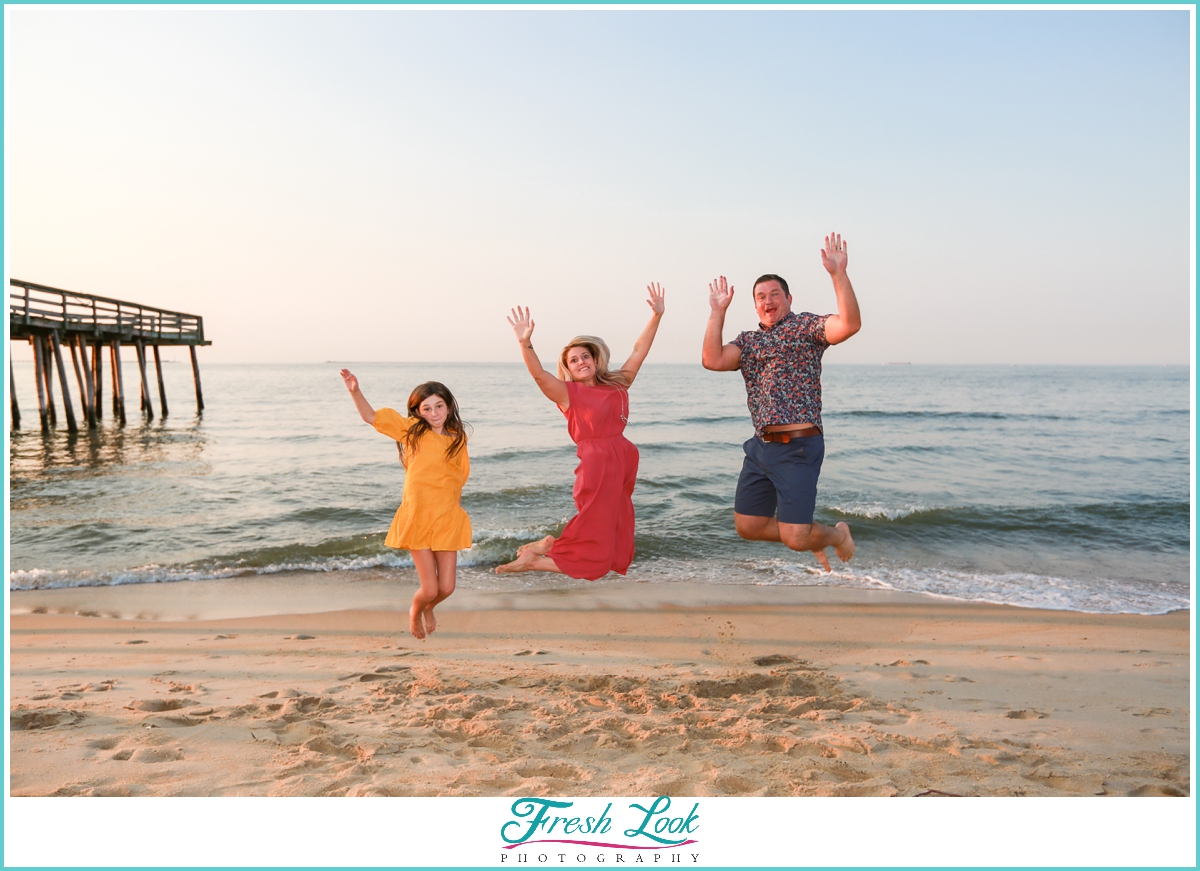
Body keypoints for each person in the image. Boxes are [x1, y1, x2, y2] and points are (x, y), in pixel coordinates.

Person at [701, 232, 861, 572]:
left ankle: (833, 536)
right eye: (760, 296)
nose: (767, 300)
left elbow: (849, 324)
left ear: (788, 298)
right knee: (748, 526)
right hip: (760, 448)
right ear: (755, 304)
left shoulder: (805, 327)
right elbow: (712, 359)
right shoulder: (748, 342)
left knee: (794, 537)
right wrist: (717, 311)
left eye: (775, 294)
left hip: (798, 447)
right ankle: (809, 536)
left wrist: (838, 274)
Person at [496, 285, 665, 579]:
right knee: (595, 532)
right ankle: (538, 555)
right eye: (573, 361)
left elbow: (640, 350)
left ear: (595, 359)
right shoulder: (567, 393)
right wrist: (525, 343)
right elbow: (538, 374)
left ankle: (544, 548)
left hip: (622, 460)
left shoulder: (616, 385)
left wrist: (656, 315)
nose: (580, 362)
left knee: (612, 535)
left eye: (584, 356)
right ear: (569, 370)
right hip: (597, 463)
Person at [340, 371, 471, 639]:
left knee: (447, 588)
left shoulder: (458, 438)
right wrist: (355, 391)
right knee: (431, 588)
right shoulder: (411, 431)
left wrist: (457, 513)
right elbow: (371, 417)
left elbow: (458, 479)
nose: (434, 413)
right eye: (427, 408)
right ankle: (416, 610)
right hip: (417, 517)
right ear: (418, 411)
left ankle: (429, 608)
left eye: (439, 406)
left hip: (447, 517)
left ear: (448, 406)